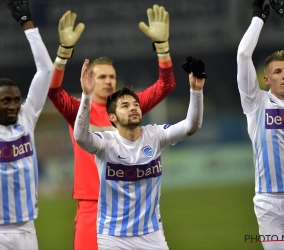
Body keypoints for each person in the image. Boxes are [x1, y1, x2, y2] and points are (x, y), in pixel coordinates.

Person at [48, 5, 176, 250]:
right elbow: (53, 92)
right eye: (101, 77)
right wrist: (63, 53)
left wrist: (162, 47)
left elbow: (165, 85)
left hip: (128, 207)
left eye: (112, 77)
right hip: (91, 203)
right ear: (89, 78)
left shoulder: (127, 108)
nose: (108, 81)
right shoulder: (77, 109)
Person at [73, 57, 205, 250]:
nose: (133, 108)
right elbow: (81, 137)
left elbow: (191, 126)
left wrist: (196, 90)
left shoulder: (155, 135)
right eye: (124, 106)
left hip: (151, 235)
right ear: (113, 117)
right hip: (112, 237)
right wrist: (86, 96)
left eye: (135, 104)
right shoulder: (106, 143)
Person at [0, 0, 54, 249]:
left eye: (16, 99)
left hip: (26, 231)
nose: (13, 105)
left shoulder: (27, 118)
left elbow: (46, 70)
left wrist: (28, 24)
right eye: (6, 101)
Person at [237, 0, 284, 249]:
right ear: (266, 79)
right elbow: (244, 55)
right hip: (269, 203)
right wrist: (259, 17)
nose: (283, 75)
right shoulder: (257, 103)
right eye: (277, 71)